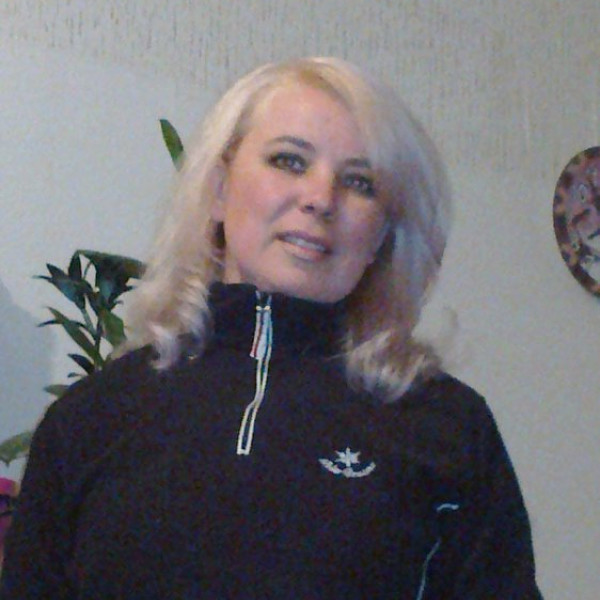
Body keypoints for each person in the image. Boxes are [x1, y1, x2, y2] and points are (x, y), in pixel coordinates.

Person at [0, 57, 543, 599]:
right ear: (218, 189)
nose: (320, 198)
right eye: (289, 160)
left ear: (382, 234)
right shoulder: (90, 419)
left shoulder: (448, 428)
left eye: (360, 182)